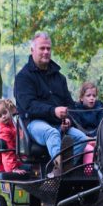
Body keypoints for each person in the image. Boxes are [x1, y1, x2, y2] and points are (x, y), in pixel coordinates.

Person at [14, 32, 88, 177]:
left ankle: (62, 171)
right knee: (52, 133)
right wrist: (53, 111)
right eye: (42, 48)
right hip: (33, 124)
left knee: (82, 138)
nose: (46, 52)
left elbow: (69, 104)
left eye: (48, 49)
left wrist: (68, 120)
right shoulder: (23, 77)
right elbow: (28, 106)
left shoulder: (59, 78)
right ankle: (59, 169)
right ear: (32, 50)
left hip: (58, 124)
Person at [0, 98, 26, 174]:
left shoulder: (11, 124)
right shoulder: (4, 131)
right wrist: (13, 169)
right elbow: (7, 152)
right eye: (0, 116)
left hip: (13, 159)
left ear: (9, 111)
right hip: (5, 164)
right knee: (30, 168)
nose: (3, 116)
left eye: (5, 113)